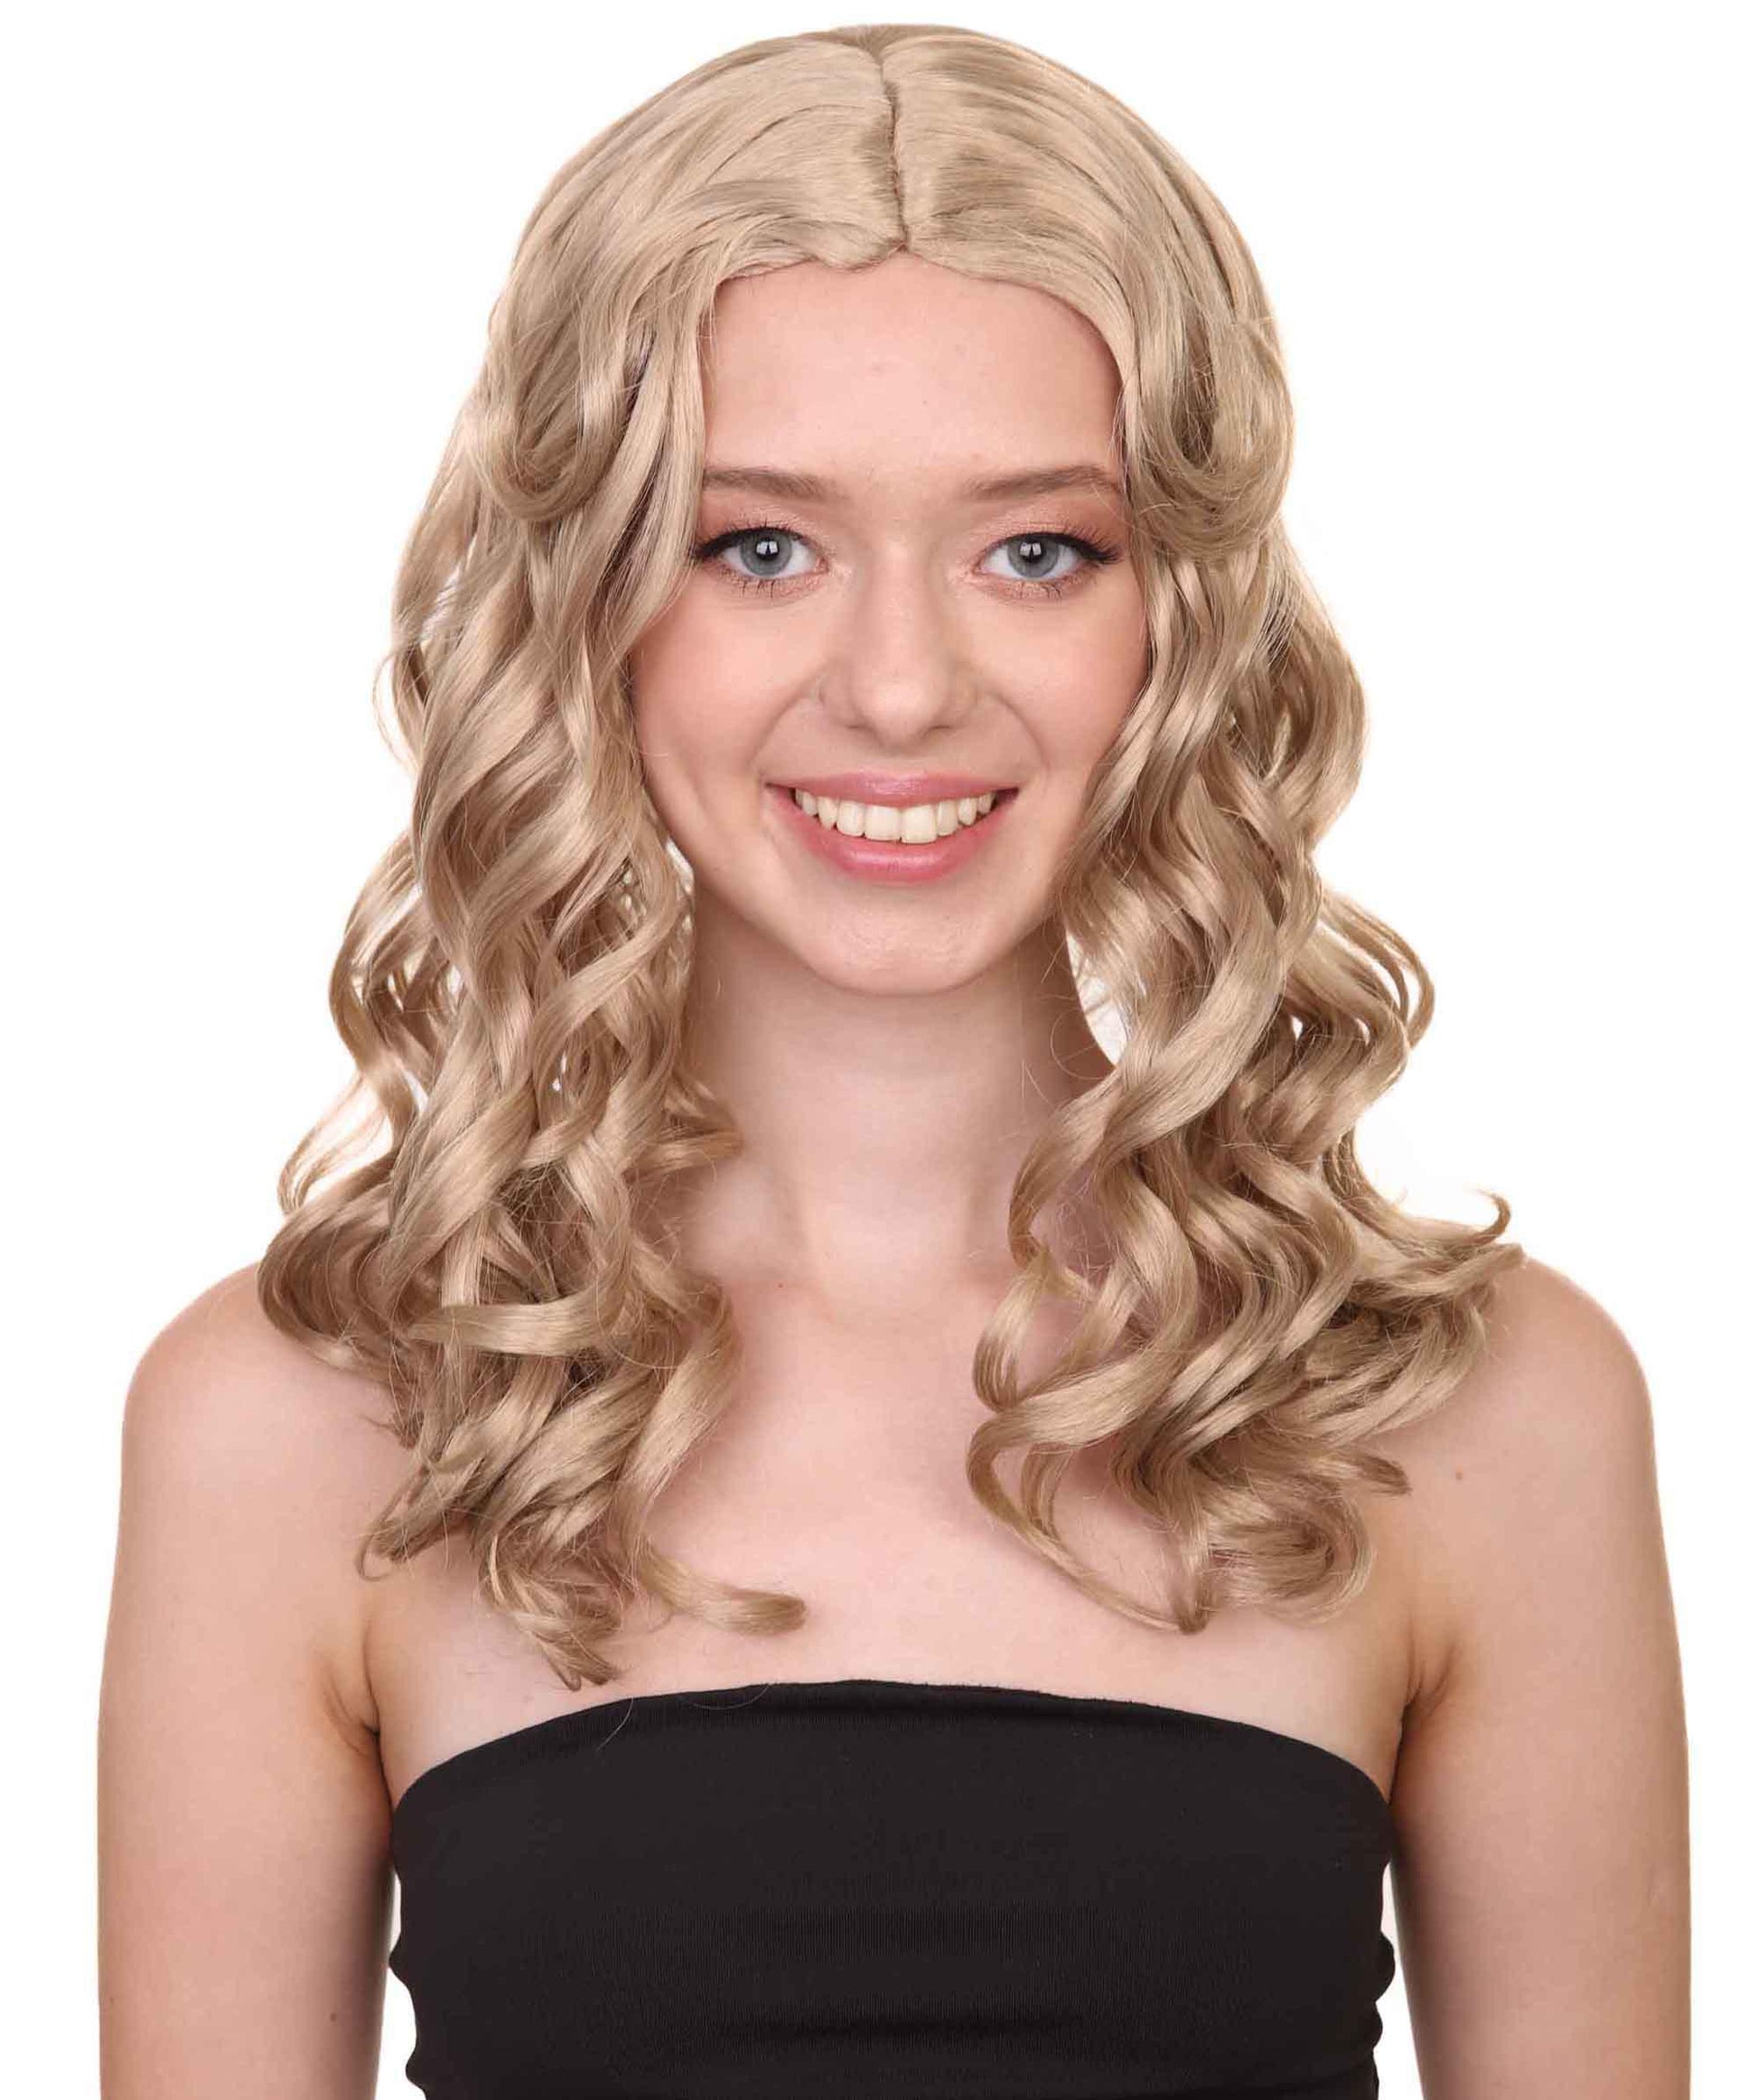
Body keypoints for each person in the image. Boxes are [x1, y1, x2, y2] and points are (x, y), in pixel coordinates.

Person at [97, 22, 1689, 2098]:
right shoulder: (296, 1421)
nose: (903, 685)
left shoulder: (1484, 1412)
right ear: (587, 604)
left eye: (1038, 550)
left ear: (1181, 617)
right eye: (759, 546)